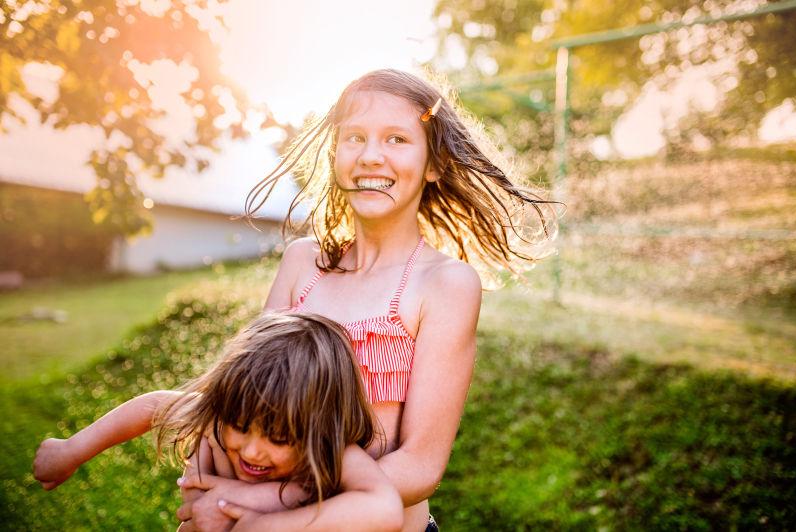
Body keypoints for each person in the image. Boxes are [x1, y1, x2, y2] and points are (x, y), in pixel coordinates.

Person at [180, 69, 558, 531]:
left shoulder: (445, 285)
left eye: (397, 139)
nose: (371, 156)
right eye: (355, 137)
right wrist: (205, 483)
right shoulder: (302, 264)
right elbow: (242, 401)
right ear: (335, 154)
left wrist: (261, 499)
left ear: (434, 164)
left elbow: (420, 466)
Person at [33, 312, 404, 531]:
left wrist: (261, 525)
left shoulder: (334, 451)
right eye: (240, 427)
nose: (252, 451)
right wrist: (72, 450)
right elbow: (154, 406)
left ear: (322, 428)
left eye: (278, 438)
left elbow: (384, 508)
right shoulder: (219, 416)